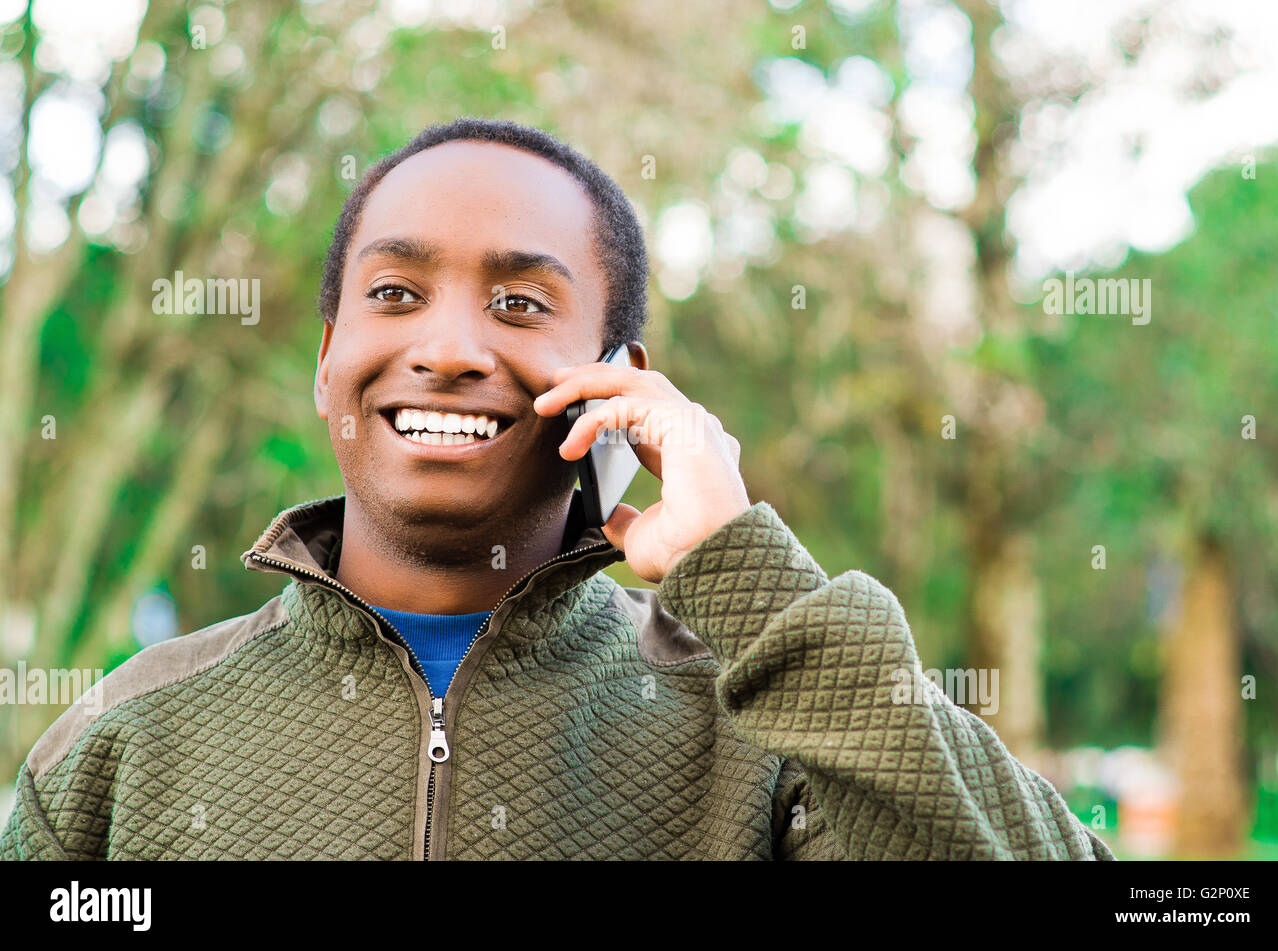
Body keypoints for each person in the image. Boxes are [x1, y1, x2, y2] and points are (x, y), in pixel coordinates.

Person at [0, 117, 1113, 860]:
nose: (444, 347)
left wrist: (755, 587)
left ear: (622, 388)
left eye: (522, 305)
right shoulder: (127, 740)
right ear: (329, 353)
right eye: (394, 293)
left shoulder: (765, 735)